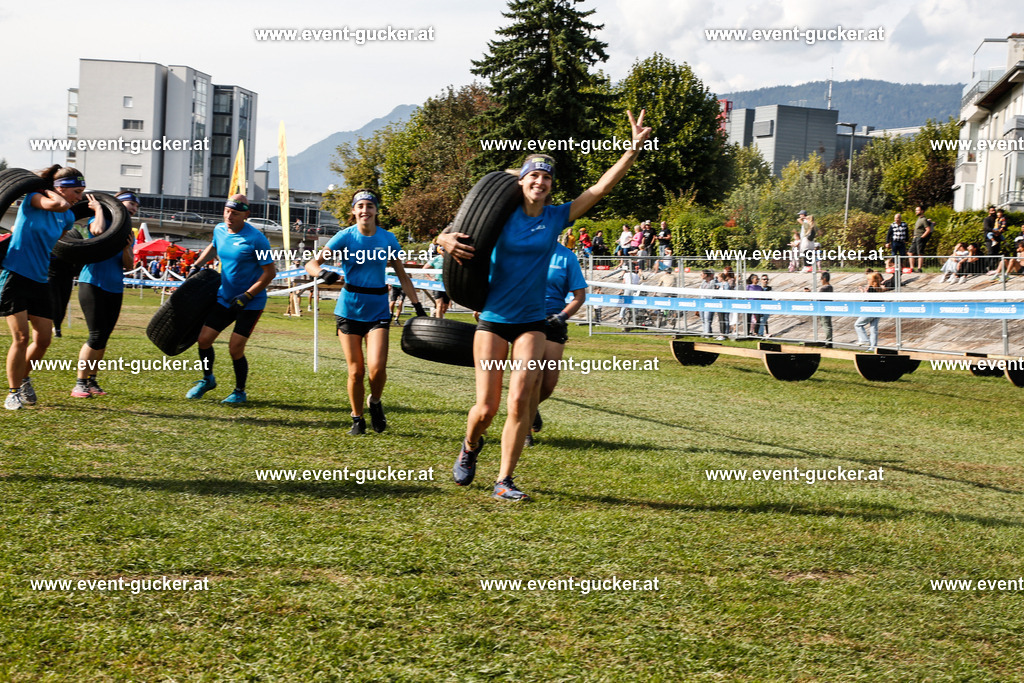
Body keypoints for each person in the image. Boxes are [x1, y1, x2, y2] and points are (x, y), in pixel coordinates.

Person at [438, 110, 652, 502]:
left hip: (531, 323)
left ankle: (504, 480)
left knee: (521, 400)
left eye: (546, 177)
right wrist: (443, 240)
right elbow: (455, 230)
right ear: (520, 181)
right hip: (493, 319)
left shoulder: (555, 218)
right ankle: (470, 445)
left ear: (551, 186)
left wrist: (632, 151)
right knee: (486, 408)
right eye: (533, 175)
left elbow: (600, 189)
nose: (540, 181)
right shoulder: (500, 217)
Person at [305, 189, 425, 435]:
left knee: (377, 368)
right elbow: (311, 263)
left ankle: (375, 402)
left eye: (369, 206)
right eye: (360, 206)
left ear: (376, 210)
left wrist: (419, 307)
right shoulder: (344, 236)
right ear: (353, 210)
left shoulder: (388, 238)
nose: (365, 210)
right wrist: (322, 273)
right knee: (356, 371)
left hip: (378, 309)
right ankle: (357, 419)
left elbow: (403, 276)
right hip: (349, 310)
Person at [2, 166, 101, 410]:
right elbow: (58, 204)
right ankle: (13, 392)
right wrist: (46, 189)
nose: (80, 197)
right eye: (77, 191)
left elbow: (55, 237)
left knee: (44, 339)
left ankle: (24, 379)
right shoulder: (34, 199)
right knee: (21, 337)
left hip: (40, 279)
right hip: (15, 274)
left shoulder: (67, 218)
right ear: (60, 188)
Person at [185, 194, 276, 404]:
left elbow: (270, 273)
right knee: (203, 340)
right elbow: (214, 247)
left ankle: (239, 391)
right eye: (227, 211)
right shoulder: (220, 230)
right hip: (225, 297)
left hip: (251, 302)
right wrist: (196, 266)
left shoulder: (257, 240)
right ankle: (208, 379)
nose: (229, 216)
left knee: (235, 348)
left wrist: (248, 295)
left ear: (246, 215)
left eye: (234, 213)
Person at [71, 192, 138, 398]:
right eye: (131, 203)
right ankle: (79, 383)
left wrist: (126, 248)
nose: (134, 208)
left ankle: (92, 380)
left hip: (115, 287)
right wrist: (99, 208)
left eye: (137, 206)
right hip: (92, 283)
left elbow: (129, 265)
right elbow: (98, 231)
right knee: (96, 335)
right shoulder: (100, 220)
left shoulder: (129, 232)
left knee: (104, 337)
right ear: (117, 203)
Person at [526, 242, 587, 447]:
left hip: (553, 321)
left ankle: (529, 408)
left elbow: (580, 296)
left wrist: (563, 316)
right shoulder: (525, 248)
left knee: (548, 384)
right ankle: (524, 428)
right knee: (533, 376)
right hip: (527, 319)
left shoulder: (566, 256)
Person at [854, 271, 885, 349]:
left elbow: (866, 299)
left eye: (868, 279)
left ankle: (864, 340)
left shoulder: (871, 288)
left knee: (858, 324)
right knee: (873, 329)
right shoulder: (879, 288)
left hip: (870, 310)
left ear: (872, 280)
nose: (867, 281)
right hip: (878, 311)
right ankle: (873, 347)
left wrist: (863, 292)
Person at [425, 243, 450, 318]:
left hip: (447, 285)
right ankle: (439, 322)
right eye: (443, 250)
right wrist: (430, 279)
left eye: (446, 250)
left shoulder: (451, 259)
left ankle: (434, 311)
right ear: (440, 251)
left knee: (444, 308)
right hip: (437, 285)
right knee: (439, 305)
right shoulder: (436, 259)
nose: (444, 252)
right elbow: (424, 269)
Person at [909, 205, 934, 272]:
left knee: (920, 253)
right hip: (915, 238)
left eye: (918, 210)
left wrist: (922, 237)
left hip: (920, 238)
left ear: (922, 211)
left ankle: (919, 268)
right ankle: (912, 268)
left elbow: (928, 230)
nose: (916, 211)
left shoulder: (923, 219)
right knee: (910, 252)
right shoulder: (919, 219)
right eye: (916, 210)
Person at [698, 269, 716, 336]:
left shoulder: (712, 282)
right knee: (702, 318)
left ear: (705, 275)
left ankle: (707, 333)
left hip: (709, 302)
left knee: (707, 318)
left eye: (701, 274)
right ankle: (705, 331)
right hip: (702, 302)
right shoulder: (703, 282)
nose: (700, 276)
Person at [818, 271, 833, 345]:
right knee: (827, 324)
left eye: (821, 278)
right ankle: (829, 340)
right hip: (828, 308)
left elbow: (818, 299)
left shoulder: (823, 289)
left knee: (826, 325)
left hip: (823, 309)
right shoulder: (830, 287)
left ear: (824, 279)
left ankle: (828, 342)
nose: (820, 280)